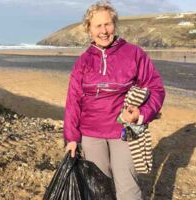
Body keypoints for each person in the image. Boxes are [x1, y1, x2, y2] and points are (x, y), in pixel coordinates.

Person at [63, 1, 165, 200]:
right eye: (98, 26)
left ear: (114, 25)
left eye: (108, 24)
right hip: (91, 134)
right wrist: (72, 139)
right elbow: (73, 102)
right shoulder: (83, 61)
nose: (104, 31)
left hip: (124, 131)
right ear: (89, 30)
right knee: (97, 189)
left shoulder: (134, 53)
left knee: (128, 190)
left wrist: (141, 113)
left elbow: (156, 88)